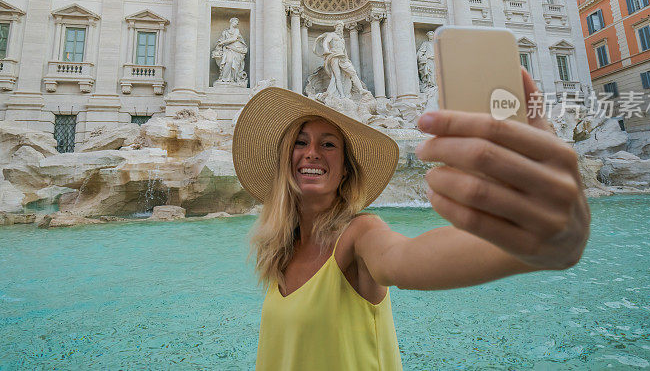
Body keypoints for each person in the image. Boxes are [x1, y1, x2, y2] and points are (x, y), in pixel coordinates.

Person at [232, 70, 590, 370]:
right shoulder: (279, 252)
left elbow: (407, 259)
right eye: (300, 142)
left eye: (328, 145)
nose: (311, 152)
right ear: (286, 160)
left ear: (345, 171)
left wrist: (529, 243)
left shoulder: (360, 235)